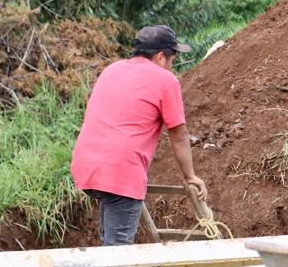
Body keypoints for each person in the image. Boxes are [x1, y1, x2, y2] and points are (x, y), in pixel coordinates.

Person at [71, 25, 207, 245]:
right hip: (119, 170)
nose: (172, 67)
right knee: (119, 254)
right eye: (172, 60)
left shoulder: (112, 70)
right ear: (161, 56)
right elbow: (179, 135)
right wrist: (190, 176)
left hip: (87, 165)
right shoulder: (165, 80)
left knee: (110, 244)